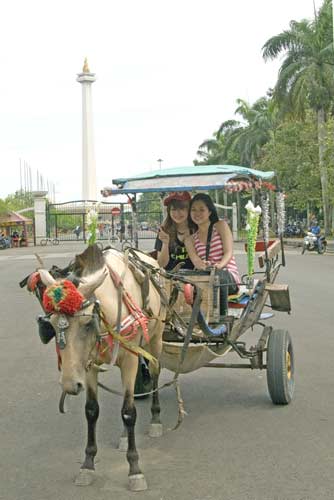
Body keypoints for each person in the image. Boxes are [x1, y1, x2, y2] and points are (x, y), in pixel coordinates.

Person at [185, 193, 240, 317]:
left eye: (201, 209)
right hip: (205, 277)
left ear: (210, 212)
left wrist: (218, 266)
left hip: (227, 275)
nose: (197, 213)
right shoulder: (190, 240)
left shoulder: (221, 226)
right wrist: (203, 265)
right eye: (193, 210)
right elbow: (196, 261)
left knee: (218, 278)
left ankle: (221, 319)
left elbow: (228, 252)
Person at [155, 191, 195, 270]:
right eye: (174, 209)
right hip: (169, 278)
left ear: (189, 209)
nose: (177, 213)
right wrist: (165, 244)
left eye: (182, 208)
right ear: (169, 211)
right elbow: (161, 264)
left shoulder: (196, 228)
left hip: (195, 277)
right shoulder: (164, 231)